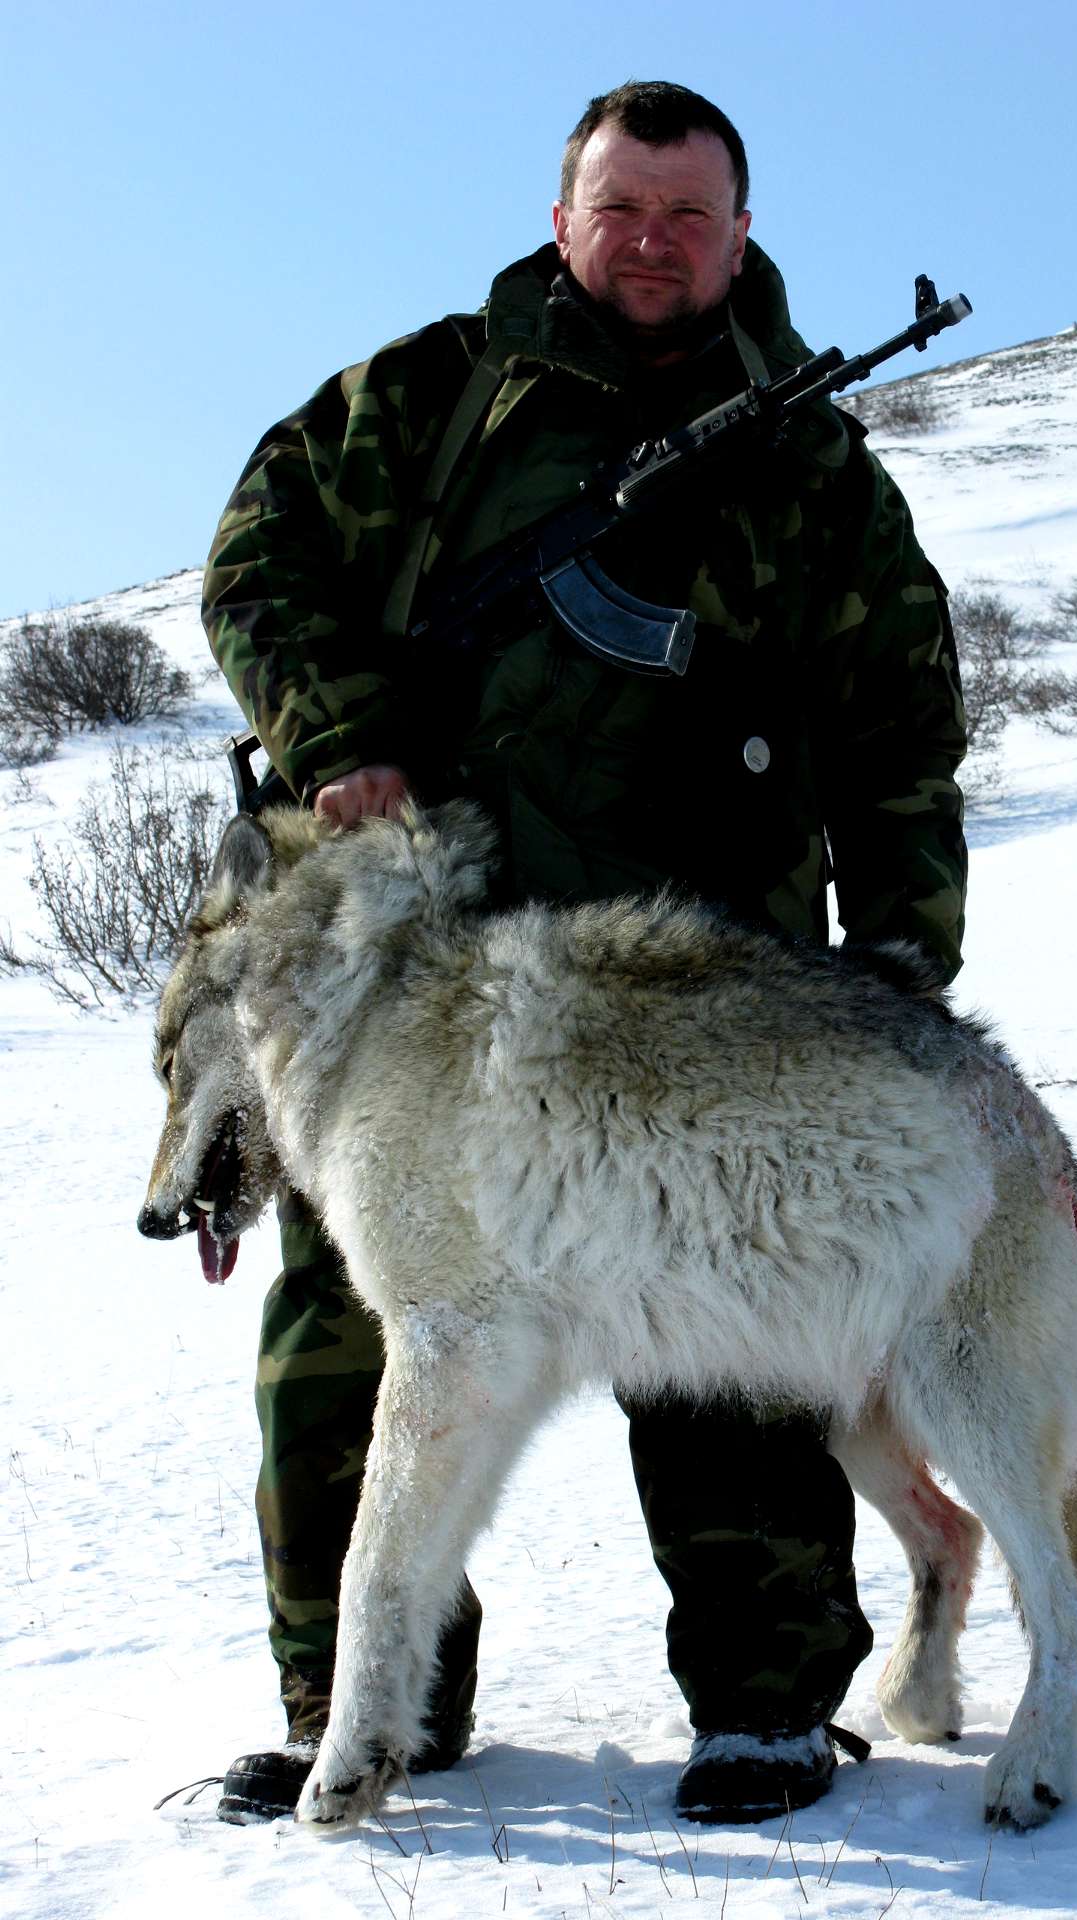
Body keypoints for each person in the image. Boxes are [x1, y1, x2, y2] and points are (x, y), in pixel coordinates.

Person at [201, 79, 967, 1827]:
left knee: (739, 1337)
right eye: (622, 209)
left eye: (691, 217)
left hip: (705, 987)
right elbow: (258, 551)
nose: (654, 244)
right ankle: (362, 1698)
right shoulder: (430, 395)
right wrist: (337, 729)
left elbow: (901, 737)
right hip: (423, 978)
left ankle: (769, 1706)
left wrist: (899, 965)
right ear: (564, 217)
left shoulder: (814, 466)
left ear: (742, 234)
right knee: (352, 1333)